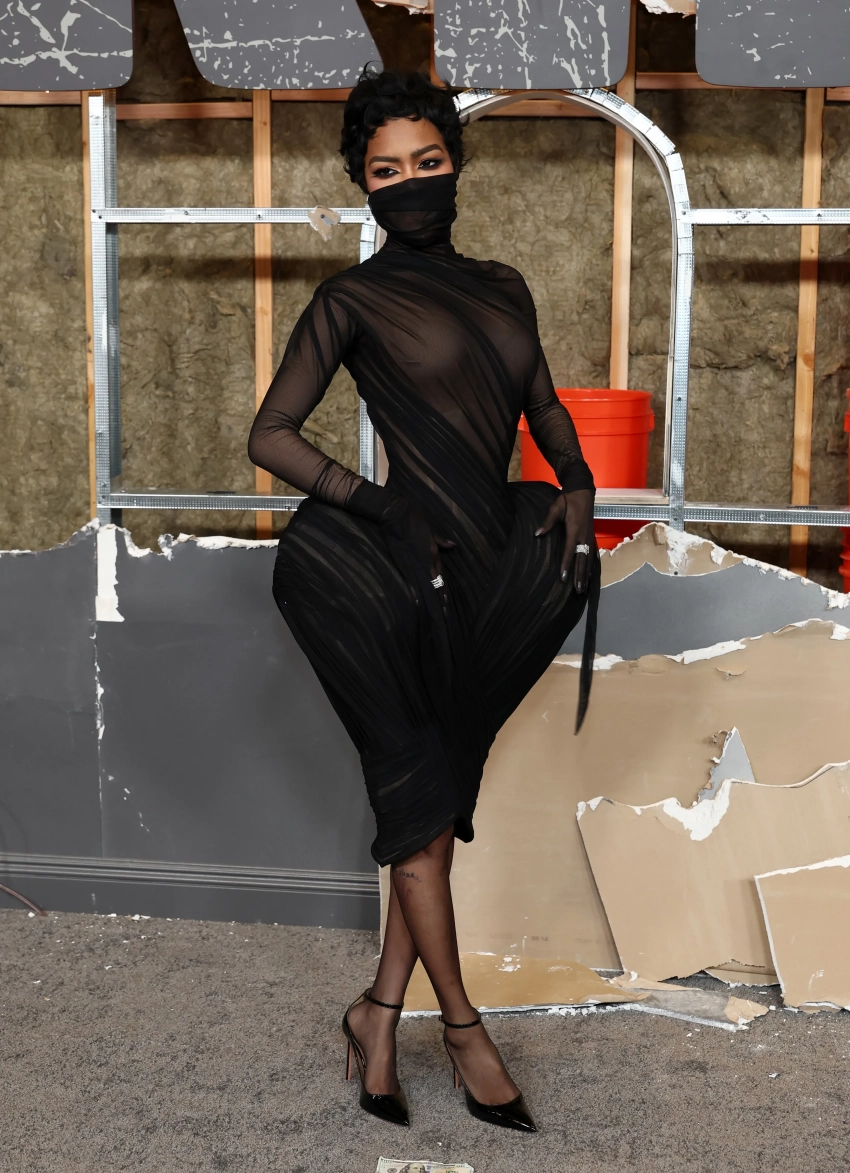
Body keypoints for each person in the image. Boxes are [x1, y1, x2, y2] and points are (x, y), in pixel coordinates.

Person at [248, 67, 600, 1134]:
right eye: (385, 170)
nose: (410, 183)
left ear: (455, 165)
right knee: (417, 807)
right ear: (362, 185)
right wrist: (382, 505)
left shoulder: (503, 284)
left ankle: (375, 1014)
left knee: (432, 811)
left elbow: (540, 400)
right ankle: (462, 1028)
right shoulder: (349, 301)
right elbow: (269, 436)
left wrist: (577, 480)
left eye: (428, 161)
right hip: (389, 575)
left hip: (488, 572)